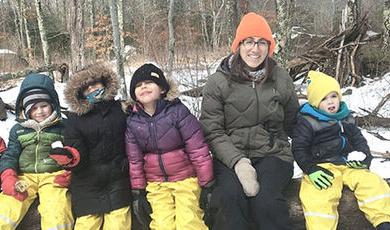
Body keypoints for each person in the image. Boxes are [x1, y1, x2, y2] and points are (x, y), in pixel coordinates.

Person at [199, 12, 300, 230]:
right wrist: (238, 161)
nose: (255, 49)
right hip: (230, 157)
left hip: (273, 154)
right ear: (238, 44)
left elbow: (294, 121)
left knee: (267, 202)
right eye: (249, 42)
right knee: (229, 198)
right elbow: (212, 130)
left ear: (269, 46)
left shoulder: (280, 78)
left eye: (262, 42)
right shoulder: (218, 82)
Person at [292, 70, 390, 230]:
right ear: (315, 102)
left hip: (349, 164)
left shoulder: (345, 117)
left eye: (333, 96)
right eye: (324, 98)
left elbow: (359, 140)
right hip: (323, 167)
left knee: (373, 183)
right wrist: (311, 169)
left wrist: (365, 158)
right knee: (319, 198)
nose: (330, 102)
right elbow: (298, 148)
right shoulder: (307, 121)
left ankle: (384, 221)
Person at [125, 63, 214, 230]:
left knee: (188, 222)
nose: (143, 86)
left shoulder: (178, 112)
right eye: (138, 85)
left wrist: (207, 182)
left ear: (162, 89)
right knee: (161, 224)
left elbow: (198, 149)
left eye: (149, 82)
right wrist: (138, 190)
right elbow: (134, 160)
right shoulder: (133, 122)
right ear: (134, 95)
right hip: (156, 184)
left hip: (185, 179)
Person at [49, 63, 132, 229]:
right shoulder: (75, 119)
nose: (91, 88)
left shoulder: (122, 109)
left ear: (104, 82)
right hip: (87, 182)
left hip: (118, 178)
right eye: (86, 88)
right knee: (87, 223)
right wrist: (70, 157)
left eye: (94, 83)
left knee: (119, 222)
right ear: (79, 94)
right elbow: (76, 148)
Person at [0, 73, 74, 229]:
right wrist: (8, 175)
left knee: (58, 210)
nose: (39, 111)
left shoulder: (63, 127)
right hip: (25, 176)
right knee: (7, 207)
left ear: (53, 104)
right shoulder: (18, 130)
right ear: (25, 109)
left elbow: (74, 151)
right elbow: (10, 154)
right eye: (34, 107)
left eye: (44, 105)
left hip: (53, 176)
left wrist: (70, 169)